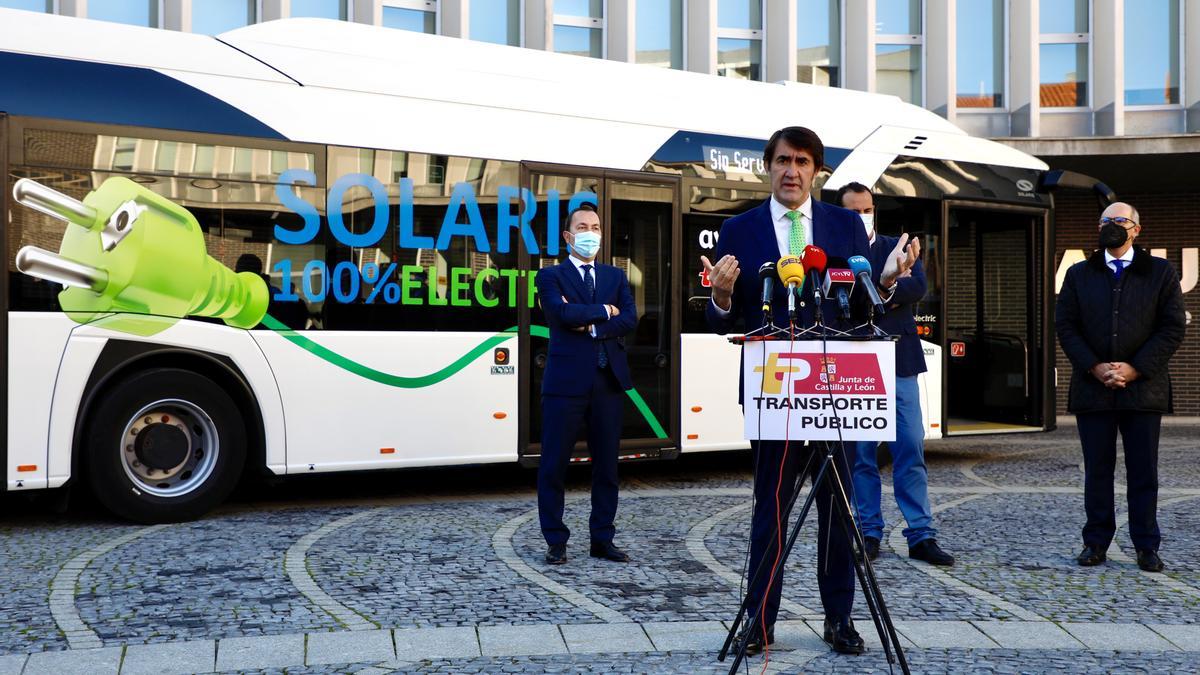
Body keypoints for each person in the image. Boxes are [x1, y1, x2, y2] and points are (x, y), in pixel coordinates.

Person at [702, 127, 918, 656]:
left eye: (801, 161)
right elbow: (718, 319)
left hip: (836, 388)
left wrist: (886, 282)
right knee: (770, 509)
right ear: (767, 167)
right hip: (774, 390)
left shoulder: (846, 225)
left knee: (837, 511)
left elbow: (865, 306)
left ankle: (839, 618)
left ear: (817, 171)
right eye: (781, 161)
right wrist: (724, 296)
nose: (791, 171)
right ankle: (759, 621)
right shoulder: (738, 228)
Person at [1055, 202, 1185, 573]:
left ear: (1136, 230)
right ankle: (1095, 543)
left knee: (1144, 472)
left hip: (1143, 390)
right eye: (1105, 221)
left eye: (1120, 221)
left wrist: (1134, 368)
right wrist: (1095, 367)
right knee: (1098, 471)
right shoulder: (1079, 273)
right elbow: (1066, 326)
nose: (1112, 226)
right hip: (1093, 388)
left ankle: (1147, 546)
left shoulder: (1160, 272)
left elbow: (1172, 327)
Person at [836, 182, 954, 567]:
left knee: (909, 447)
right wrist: (885, 287)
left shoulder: (897, 244)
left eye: (866, 208)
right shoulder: (834, 250)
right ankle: (868, 531)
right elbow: (837, 303)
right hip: (854, 362)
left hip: (900, 360)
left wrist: (883, 288)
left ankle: (921, 535)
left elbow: (917, 285)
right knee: (861, 455)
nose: (860, 215)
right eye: (852, 210)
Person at [535, 202, 638, 566]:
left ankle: (602, 539)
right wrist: (603, 310)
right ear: (567, 236)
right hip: (565, 384)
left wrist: (592, 323)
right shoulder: (550, 277)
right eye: (582, 227)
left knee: (607, 467)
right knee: (554, 465)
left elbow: (629, 318)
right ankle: (556, 540)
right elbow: (559, 313)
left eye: (594, 227)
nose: (589, 233)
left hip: (607, 382)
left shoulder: (615, 276)